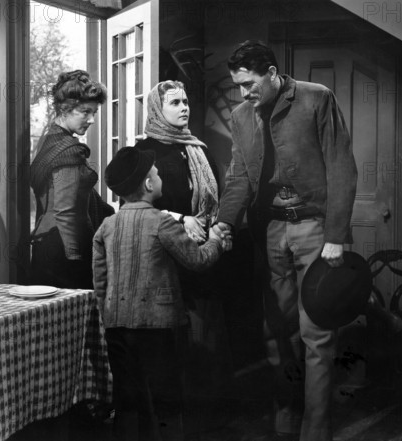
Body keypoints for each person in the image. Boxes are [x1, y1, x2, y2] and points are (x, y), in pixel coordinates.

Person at [212, 40, 358, 441]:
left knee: (317, 334)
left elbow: (342, 167)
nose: (245, 94)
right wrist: (225, 222)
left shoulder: (316, 99)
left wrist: (335, 236)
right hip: (269, 230)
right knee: (277, 331)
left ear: (273, 74)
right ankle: (284, 421)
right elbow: (239, 177)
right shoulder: (243, 116)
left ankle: (315, 430)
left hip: (313, 229)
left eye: (251, 84)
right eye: (239, 86)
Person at [93, 147, 226, 441]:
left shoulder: (107, 226)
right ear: (149, 185)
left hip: (117, 327)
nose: (159, 175)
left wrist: (110, 314)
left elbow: (100, 283)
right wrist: (215, 240)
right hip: (160, 326)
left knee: (128, 398)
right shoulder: (163, 223)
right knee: (166, 398)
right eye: (156, 172)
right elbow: (198, 260)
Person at [134, 80, 232, 428]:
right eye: (175, 102)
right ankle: (176, 421)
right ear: (158, 109)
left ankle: (207, 418)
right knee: (175, 342)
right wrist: (180, 218)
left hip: (203, 253)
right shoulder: (143, 152)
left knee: (208, 339)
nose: (184, 108)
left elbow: (215, 197)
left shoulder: (198, 149)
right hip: (165, 256)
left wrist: (215, 228)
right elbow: (133, 207)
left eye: (186, 101)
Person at [30, 69, 112, 289]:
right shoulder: (68, 151)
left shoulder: (49, 140)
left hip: (47, 243)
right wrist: (75, 261)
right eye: (85, 112)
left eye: (94, 112)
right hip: (64, 249)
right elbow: (65, 210)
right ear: (65, 108)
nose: (92, 119)